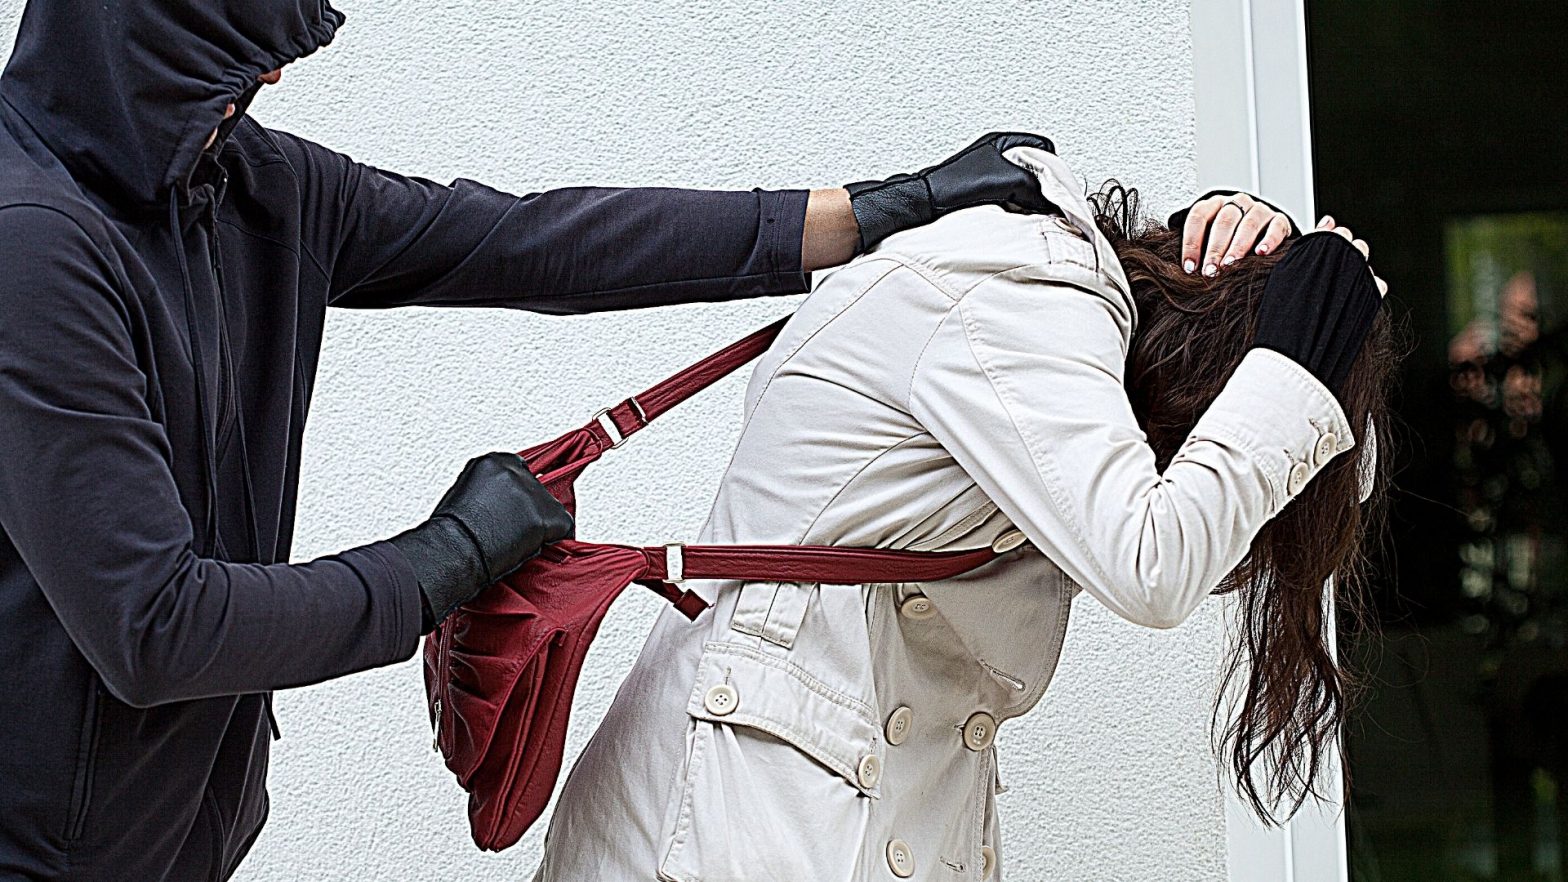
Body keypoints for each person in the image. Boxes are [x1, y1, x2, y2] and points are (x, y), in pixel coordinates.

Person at [0, 2, 1088, 879]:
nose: (276, 78)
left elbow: (530, 240)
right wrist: (447, 559)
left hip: (184, 832)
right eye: (239, 55)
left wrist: (876, 210)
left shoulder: (246, 188)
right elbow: (156, 628)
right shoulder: (32, 251)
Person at [534, 147, 1394, 881]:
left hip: (800, 811)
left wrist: (1278, 299)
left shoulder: (1055, 333)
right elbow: (1154, 566)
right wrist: (1294, 356)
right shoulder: (1036, 288)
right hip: (737, 821)